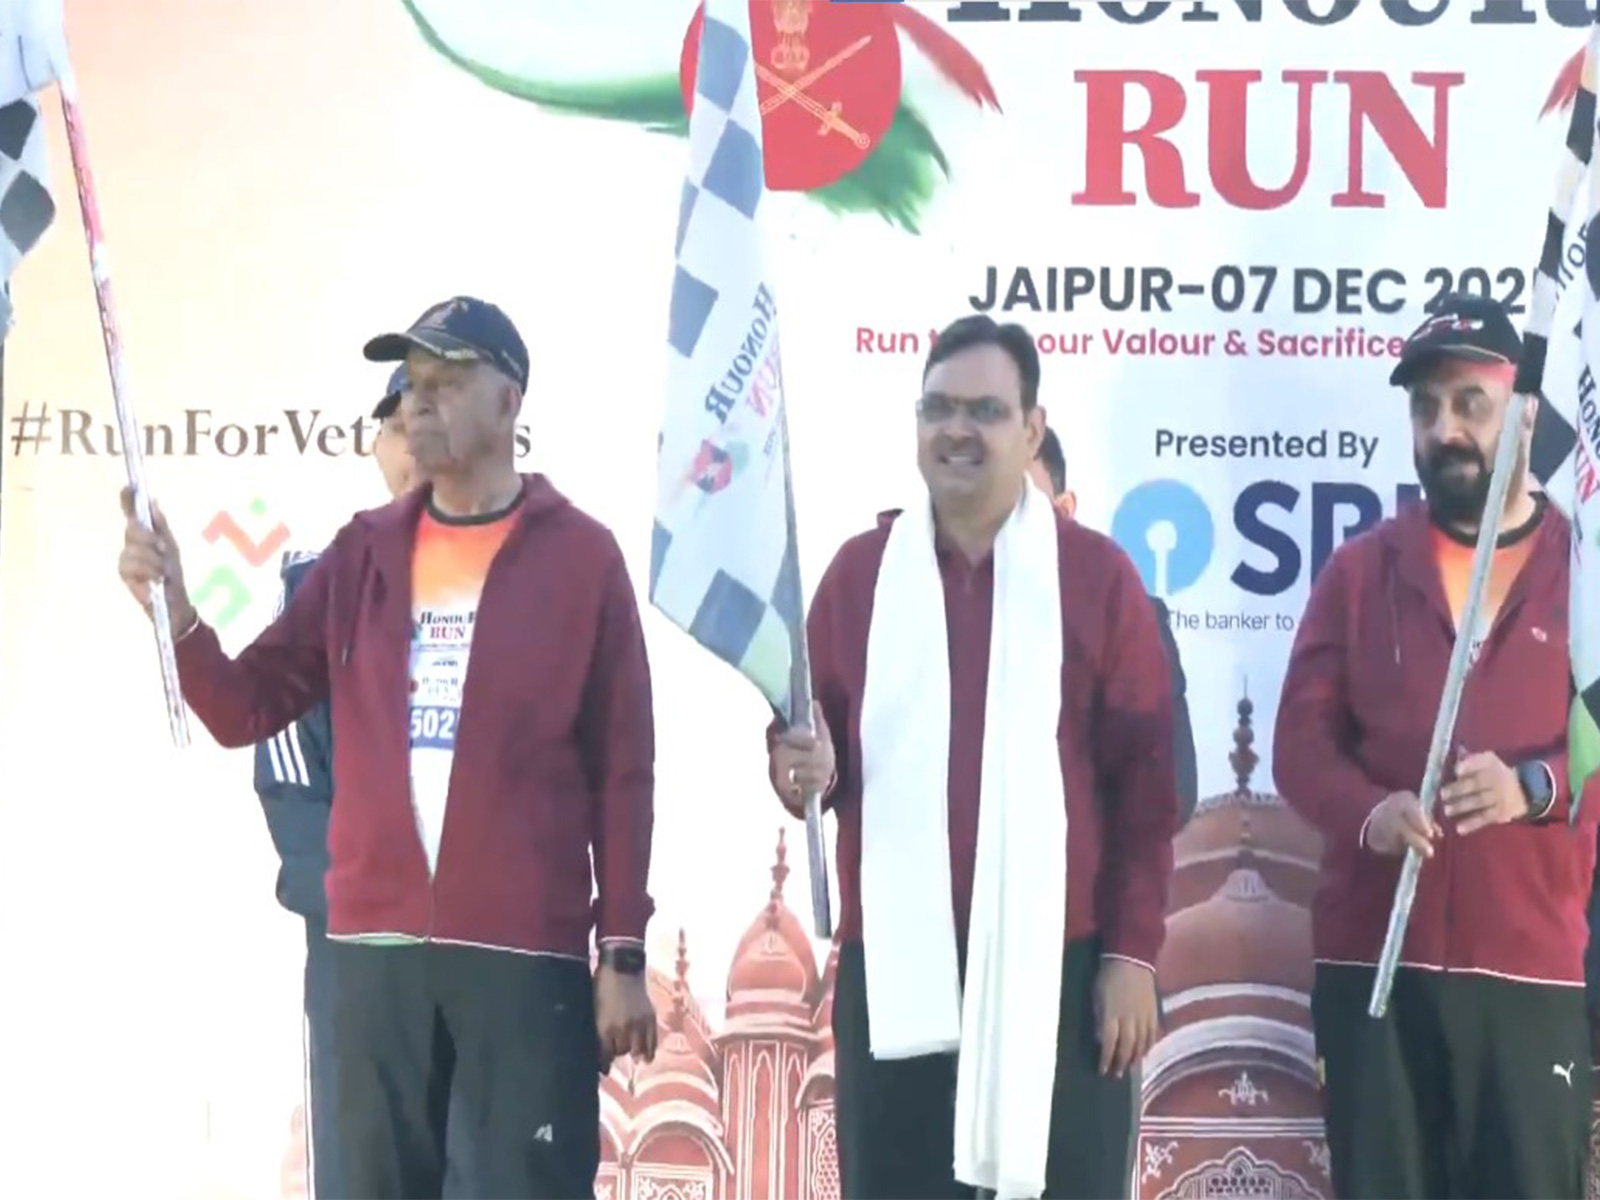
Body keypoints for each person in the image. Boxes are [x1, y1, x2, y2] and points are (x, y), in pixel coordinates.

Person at [119, 296, 659, 1200]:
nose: (419, 403)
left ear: (510, 402)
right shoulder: (362, 552)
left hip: (523, 962)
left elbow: (624, 771)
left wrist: (625, 950)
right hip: (375, 964)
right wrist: (176, 609)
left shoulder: (582, 559)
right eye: (412, 385)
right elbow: (247, 704)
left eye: (448, 383)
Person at [771, 315, 1178, 1199]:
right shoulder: (858, 576)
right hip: (899, 977)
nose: (958, 430)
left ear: (1032, 429)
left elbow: (1148, 788)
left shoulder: (1097, 579)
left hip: (1063, 977)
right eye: (938, 408)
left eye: (987, 410)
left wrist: (1133, 957)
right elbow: (813, 751)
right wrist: (797, 766)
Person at [1274, 293, 1596, 1199]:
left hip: (1528, 976)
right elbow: (1301, 741)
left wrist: (1536, 785)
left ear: (1526, 414)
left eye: (1470, 404)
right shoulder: (1360, 570)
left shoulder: (1586, 577)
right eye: (1425, 407)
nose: (1444, 428)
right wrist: (1367, 812)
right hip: (1375, 973)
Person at [255, 366, 468, 1198]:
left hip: (490, 958)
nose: (417, 441)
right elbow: (286, 766)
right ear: (377, 447)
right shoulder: (317, 588)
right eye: (398, 423)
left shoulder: (525, 587)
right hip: (358, 959)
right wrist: (364, 902)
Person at [1030, 425, 1198, 826]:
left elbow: (1169, 794)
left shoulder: (1131, 619)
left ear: (1064, 510)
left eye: (1019, 505)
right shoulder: (913, 615)